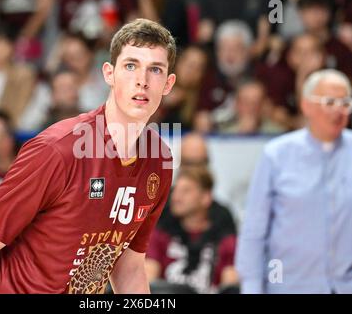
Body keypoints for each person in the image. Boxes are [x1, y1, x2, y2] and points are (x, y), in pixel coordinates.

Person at [0, 18, 176, 294]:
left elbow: (129, 266)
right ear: (108, 73)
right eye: (131, 66)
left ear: (168, 84)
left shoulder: (158, 161)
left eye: (155, 70)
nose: (142, 81)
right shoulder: (58, 149)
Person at [236, 69, 352, 293]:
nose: (338, 111)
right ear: (306, 105)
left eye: (345, 103)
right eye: (330, 102)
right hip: (289, 284)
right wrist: (251, 287)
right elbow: (254, 229)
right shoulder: (277, 154)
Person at [145, 167, 237, 294]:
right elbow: (148, 281)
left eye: (186, 191)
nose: (176, 197)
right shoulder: (160, 235)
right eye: (175, 190)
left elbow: (230, 286)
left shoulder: (225, 240)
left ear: (205, 198)